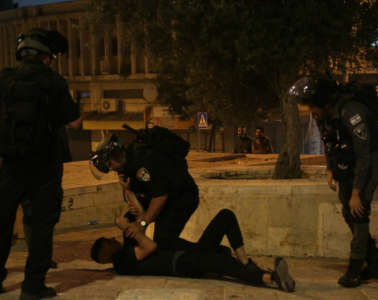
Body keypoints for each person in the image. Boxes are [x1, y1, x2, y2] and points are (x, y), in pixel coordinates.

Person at [0, 28, 82, 300]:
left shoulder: (5, 80)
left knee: (2, 224)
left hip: (10, 165)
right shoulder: (53, 81)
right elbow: (74, 122)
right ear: (45, 56)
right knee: (41, 227)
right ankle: (32, 287)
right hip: (44, 167)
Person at [289, 76, 378, 288]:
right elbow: (329, 141)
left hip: (371, 155)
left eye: (312, 106)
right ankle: (375, 263)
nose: (310, 111)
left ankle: (355, 268)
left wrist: (356, 192)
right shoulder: (322, 115)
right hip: (349, 156)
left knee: (358, 209)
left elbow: (365, 156)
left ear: (324, 103)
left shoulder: (352, 112)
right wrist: (329, 169)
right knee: (347, 210)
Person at [91, 208, 295, 292]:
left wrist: (126, 189)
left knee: (225, 216)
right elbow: (150, 246)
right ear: (105, 254)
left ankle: (245, 260)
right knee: (224, 264)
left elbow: (137, 212)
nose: (112, 238)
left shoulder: (124, 249)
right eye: (108, 241)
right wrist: (127, 228)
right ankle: (271, 278)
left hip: (189, 254)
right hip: (184, 264)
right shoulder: (123, 262)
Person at [89, 130, 199, 249]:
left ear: (116, 155)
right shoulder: (125, 167)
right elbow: (134, 198)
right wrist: (128, 192)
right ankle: (136, 260)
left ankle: (204, 253)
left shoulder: (142, 165)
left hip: (181, 197)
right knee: (129, 224)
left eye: (109, 164)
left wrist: (142, 223)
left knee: (163, 239)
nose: (110, 169)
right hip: (160, 196)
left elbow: (160, 196)